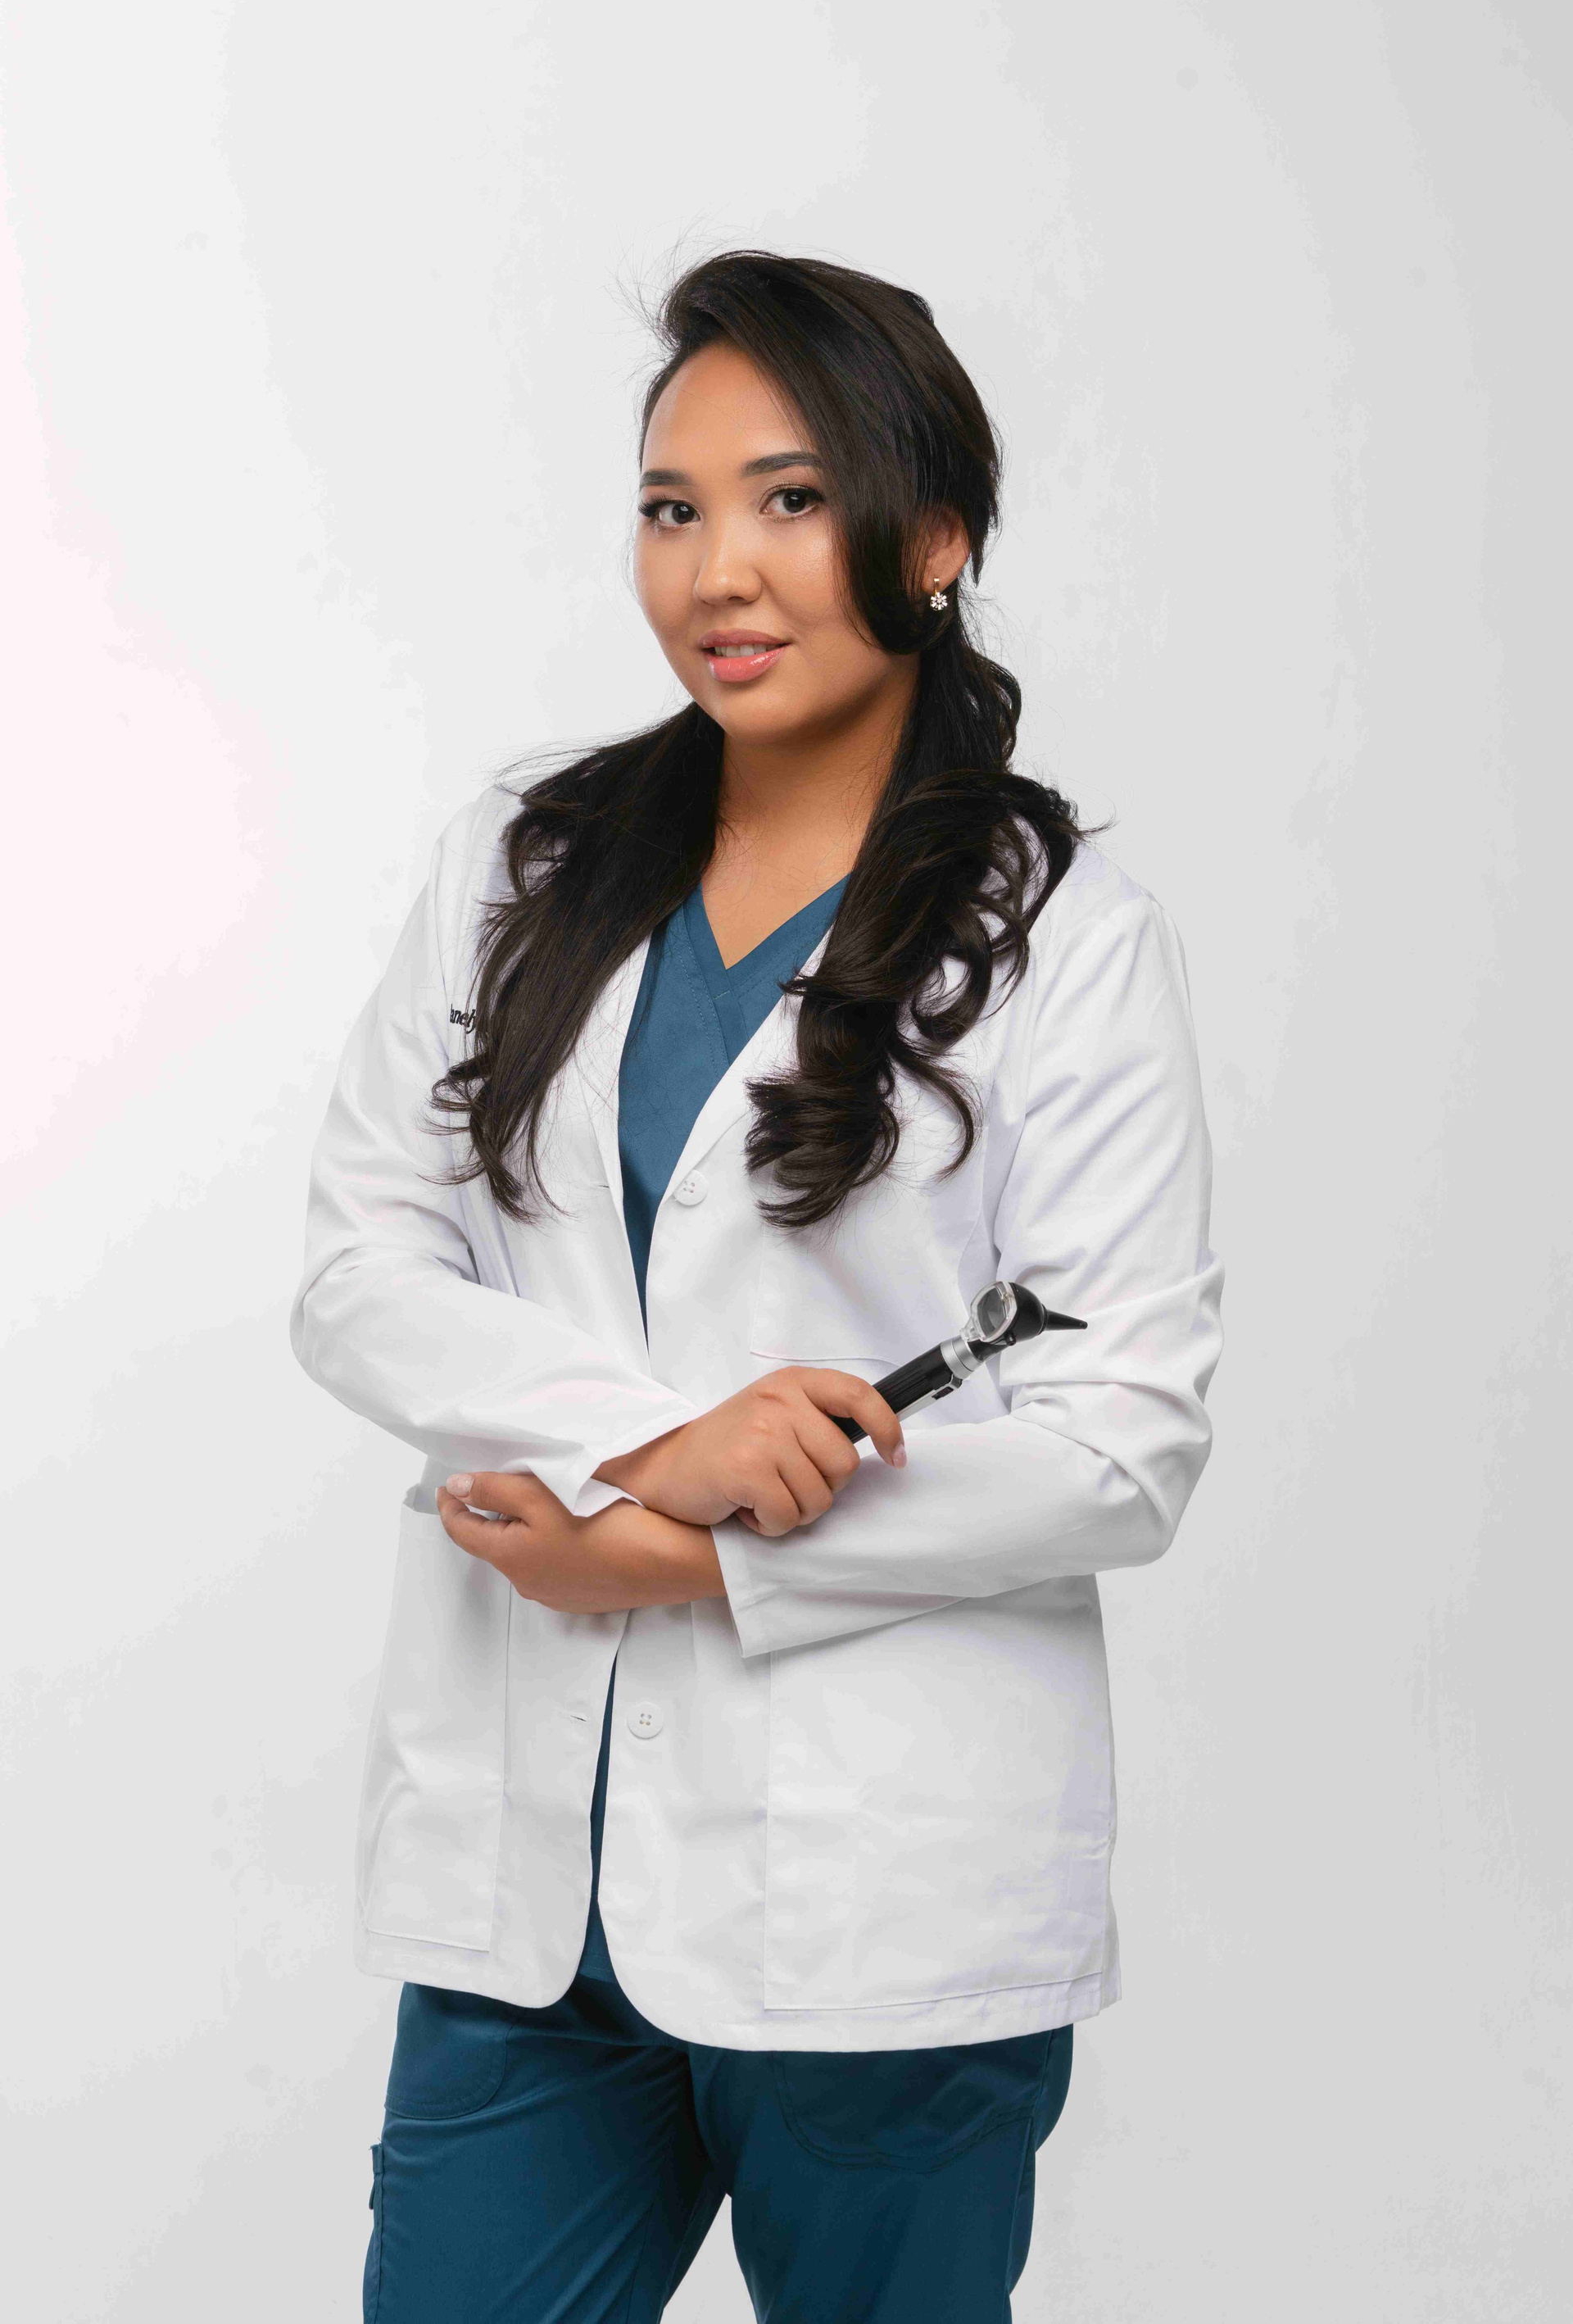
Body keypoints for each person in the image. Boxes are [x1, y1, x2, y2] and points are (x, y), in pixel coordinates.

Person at [291, 248, 1224, 2323]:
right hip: (534, 1886)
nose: (719, 568)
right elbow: (360, 1267)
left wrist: (691, 1558)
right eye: (672, 507)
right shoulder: (527, 863)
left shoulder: (1067, 940)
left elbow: (1124, 1440)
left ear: (937, 536)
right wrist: (657, 1446)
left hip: (881, 1895)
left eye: (792, 500)